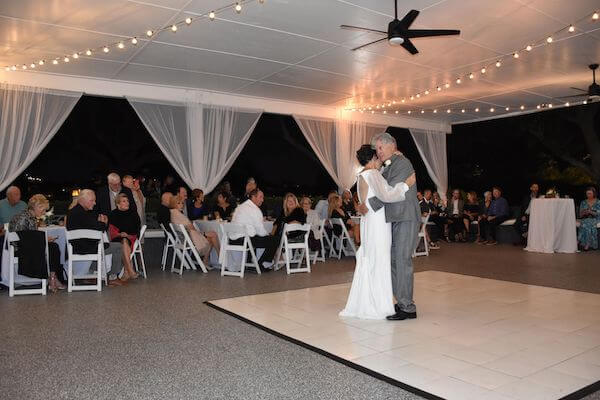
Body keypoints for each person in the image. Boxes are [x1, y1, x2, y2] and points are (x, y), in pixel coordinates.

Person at [340, 145, 415, 319]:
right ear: (373, 158)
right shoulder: (373, 175)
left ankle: (371, 301)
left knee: (372, 258)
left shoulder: (363, 175)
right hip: (378, 224)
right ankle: (379, 304)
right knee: (380, 260)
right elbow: (387, 195)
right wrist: (406, 185)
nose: (381, 158)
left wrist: (393, 158)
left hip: (370, 222)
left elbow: (374, 192)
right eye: (378, 155)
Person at [360, 132, 421, 321]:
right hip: (396, 218)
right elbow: (383, 188)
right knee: (395, 260)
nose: (378, 153)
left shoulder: (402, 163)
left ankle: (408, 307)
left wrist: (367, 206)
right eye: (376, 149)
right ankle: (403, 301)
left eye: (380, 148)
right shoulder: (391, 163)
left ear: (391, 145)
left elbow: (390, 192)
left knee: (402, 260)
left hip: (406, 217)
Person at [67, 189, 127, 286]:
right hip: (88, 248)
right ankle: (113, 276)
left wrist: (100, 224)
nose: (94, 203)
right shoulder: (82, 214)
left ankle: (93, 273)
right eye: (92, 200)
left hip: (75, 248)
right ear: (83, 200)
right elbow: (100, 228)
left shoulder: (72, 212)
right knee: (118, 246)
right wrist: (104, 222)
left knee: (106, 246)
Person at [9, 194, 65, 292]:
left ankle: (52, 277)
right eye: (43, 210)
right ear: (36, 207)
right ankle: (52, 278)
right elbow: (22, 240)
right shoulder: (23, 218)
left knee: (53, 247)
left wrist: (43, 240)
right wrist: (43, 240)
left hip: (25, 246)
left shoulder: (29, 216)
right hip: (19, 250)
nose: (44, 213)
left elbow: (29, 237)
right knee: (53, 247)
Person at [231, 188, 278, 271]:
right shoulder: (255, 210)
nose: (262, 200)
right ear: (253, 197)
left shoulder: (240, 207)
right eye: (260, 197)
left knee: (257, 237)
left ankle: (254, 262)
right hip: (245, 240)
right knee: (274, 240)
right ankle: (260, 264)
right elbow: (260, 231)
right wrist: (269, 235)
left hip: (233, 240)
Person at [169, 195, 219, 263]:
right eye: (178, 203)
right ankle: (219, 258)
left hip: (186, 239)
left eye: (182, 203)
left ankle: (206, 260)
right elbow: (192, 229)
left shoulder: (174, 213)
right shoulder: (178, 215)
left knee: (212, 236)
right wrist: (204, 233)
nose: (181, 205)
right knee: (213, 235)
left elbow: (189, 227)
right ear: (173, 204)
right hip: (190, 240)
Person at [108, 194, 140, 280]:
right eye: (124, 201)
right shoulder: (113, 214)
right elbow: (112, 231)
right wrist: (120, 234)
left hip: (131, 237)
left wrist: (127, 235)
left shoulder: (133, 213)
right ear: (118, 204)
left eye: (127, 201)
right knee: (123, 241)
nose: (127, 203)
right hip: (117, 238)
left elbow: (137, 229)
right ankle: (129, 270)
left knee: (125, 241)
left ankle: (127, 271)